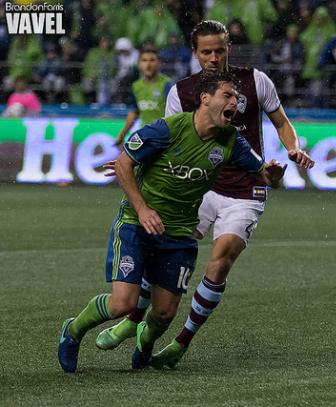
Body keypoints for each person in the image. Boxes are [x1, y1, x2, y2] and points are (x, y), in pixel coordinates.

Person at [95, 20, 314, 369]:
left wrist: (292, 149)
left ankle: (183, 340)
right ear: (194, 53)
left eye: (220, 50)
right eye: (206, 52)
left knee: (220, 258)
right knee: (161, 249)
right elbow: (168, 140)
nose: (214, 58)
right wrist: (134, 160)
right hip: (199, 186)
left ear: (229, 48)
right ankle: (133, 320)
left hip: (246, 187)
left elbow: (281, 122)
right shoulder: (181, 92)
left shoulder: (256, 81)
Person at [57, 71, 287, 373]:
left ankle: (145, 343)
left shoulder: (231, 141)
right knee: (122, 305)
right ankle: (72, 330)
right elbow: (125, 162)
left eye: (237, 98)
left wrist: (274, 175)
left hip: (178, 235)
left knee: (164, 313)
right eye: (228, 95)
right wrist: (142, 209)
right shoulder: (168, 129)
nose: (236, 102)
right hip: (136, 225)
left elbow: (264, 177)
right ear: (205, 98)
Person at [115, 48, 173, 146]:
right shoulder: (136, 86)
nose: (148, 65)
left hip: (164, 138)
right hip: (144, 136)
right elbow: (134, 111)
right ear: (139, 64)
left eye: (152, 60)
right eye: (144, 60)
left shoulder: (167, 85)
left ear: (159, 63)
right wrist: (121, 136)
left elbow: (175, 114)